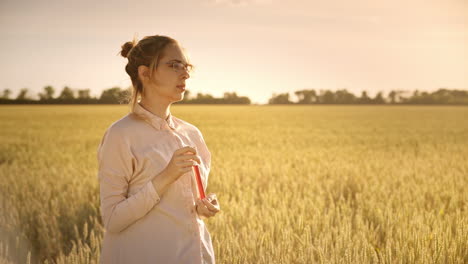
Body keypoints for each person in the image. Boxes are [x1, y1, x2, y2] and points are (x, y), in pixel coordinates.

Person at [97, 35, 220, 264]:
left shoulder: (191, 134)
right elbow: (113, 220)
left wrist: (203, 206)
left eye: (187, 67)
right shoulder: (121, 135)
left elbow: (185, 206)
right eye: (174, 65)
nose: (185, 74)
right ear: (145, 73)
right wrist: (165, 177)